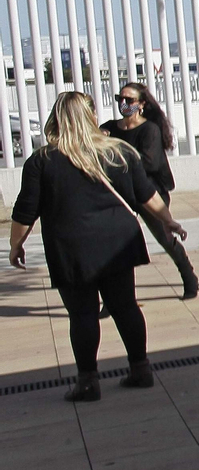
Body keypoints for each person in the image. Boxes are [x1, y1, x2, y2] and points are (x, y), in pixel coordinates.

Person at [10, 92, 188, 402]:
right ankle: (140, 369)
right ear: (92, 118)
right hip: (118, 243)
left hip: (71, 248)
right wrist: (168, 220)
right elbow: (147, 194)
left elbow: (25, 211)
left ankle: (88, 382)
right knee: (125, 306)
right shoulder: (119, 152)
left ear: (57, 119)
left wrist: (16, 245)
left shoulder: (42, 161)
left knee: (82, 314)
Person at [102, 82, 199, 299]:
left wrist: (115, 157)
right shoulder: (110, 128)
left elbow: (149, 163)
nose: (124, 104)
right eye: (120, 99)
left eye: (130, 100)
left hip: (149, 192)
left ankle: (188, 276)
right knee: (115, 246)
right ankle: (113, 298)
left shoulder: (149, 130)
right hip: (122, 194)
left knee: (165, 238)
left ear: (142, 104)